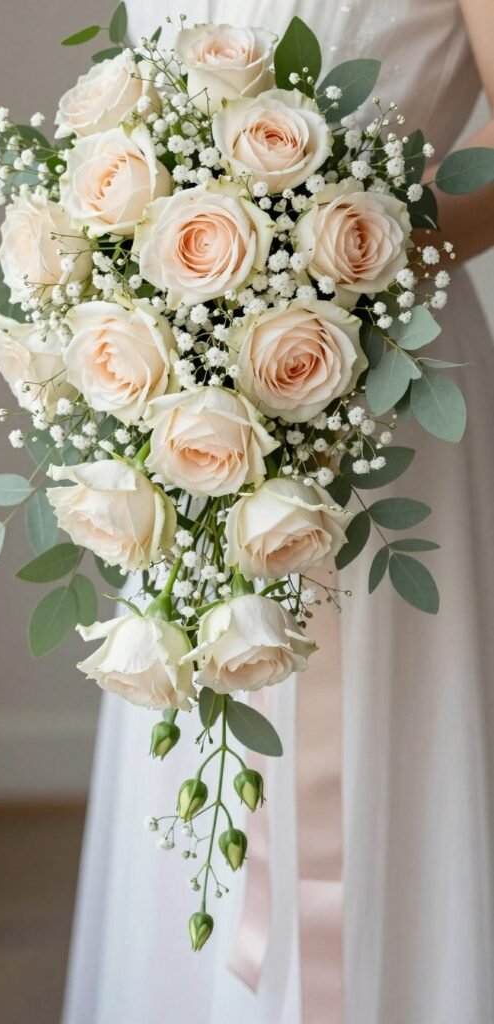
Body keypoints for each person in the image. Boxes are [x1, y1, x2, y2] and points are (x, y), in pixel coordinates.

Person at [62, 2, 494, 1021]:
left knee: (390, 745)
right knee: (194, 704)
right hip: (186, 385)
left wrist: (337, 259)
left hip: (388, 388)